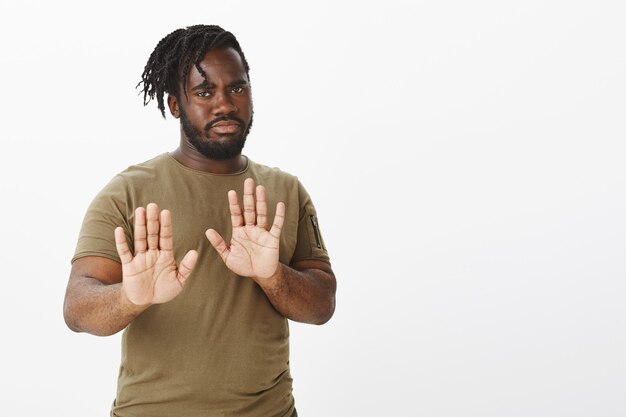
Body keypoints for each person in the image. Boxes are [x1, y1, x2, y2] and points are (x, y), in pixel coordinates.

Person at [63, 24, 336, 417]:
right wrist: (128, 298)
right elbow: (76, 307)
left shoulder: (285, 191)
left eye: (237, 88)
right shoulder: (127, 192)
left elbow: (322, 304)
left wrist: (273, 275)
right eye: (204, 92)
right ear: (175, 105)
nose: (225, 104)